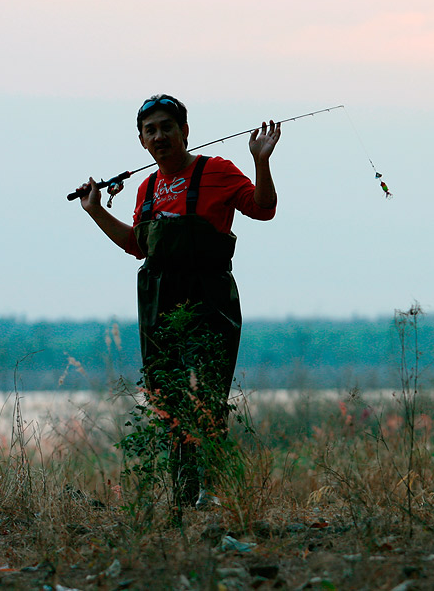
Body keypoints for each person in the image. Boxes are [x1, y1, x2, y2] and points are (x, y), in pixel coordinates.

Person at [75, 94, 281, 506]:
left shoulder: (217, 171)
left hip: (209, 297)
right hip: (158, 302)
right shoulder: (147, 188)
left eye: (167, 126)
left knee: (208, 397)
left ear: (185, 131)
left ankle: (215, 492)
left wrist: (261, 161)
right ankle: (184, 496)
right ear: (141, 141)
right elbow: (137, 245)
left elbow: (263, 209)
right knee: (166, 397)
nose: (159, 136)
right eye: (150, 130)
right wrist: (95, 211)